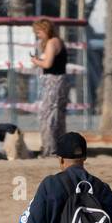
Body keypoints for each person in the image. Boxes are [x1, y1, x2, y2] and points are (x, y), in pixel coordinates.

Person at [30, 18, 70, 155]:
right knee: (58, 117)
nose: (38, 35)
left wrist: (36, 61)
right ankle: (61, 147)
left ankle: (49, 148)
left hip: (53, 82)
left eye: (39, 32)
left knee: (47, 116)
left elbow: (47, 64)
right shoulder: (59, 41)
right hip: (61, 81)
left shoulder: (52, 43)